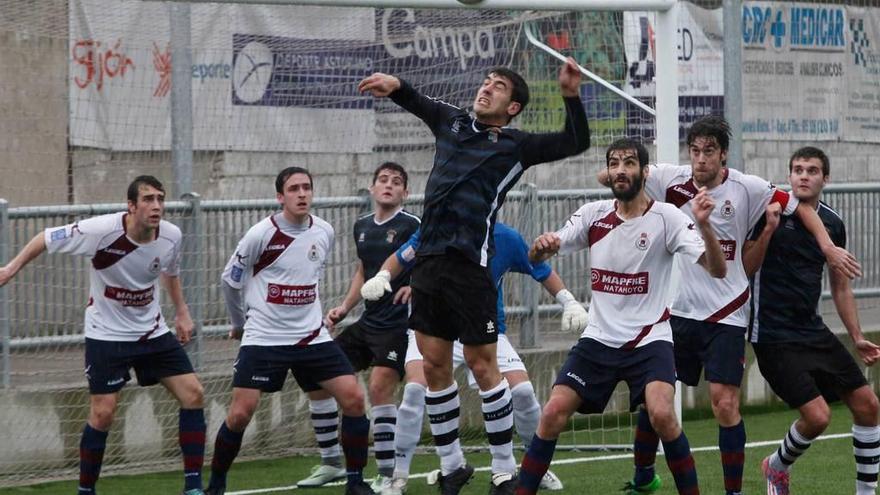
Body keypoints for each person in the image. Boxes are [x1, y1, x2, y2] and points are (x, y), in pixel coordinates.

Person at [357, 56, 589, 495]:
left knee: (485, 368)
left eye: (498, 85)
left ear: (513, 106)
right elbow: (419, 102)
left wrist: (570, 95)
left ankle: (503, 469)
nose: (486, 88)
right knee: (434, 367)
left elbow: (575, 141)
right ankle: (453, 465)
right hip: (427, 267)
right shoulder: (452, 121)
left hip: (470, 270)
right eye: (486, 81)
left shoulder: (516, 145)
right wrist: (397, 83)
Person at [599, 116, 861, 495]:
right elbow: (612, 177)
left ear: (723, 155)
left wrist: (827, 247)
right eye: (695, 151)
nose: (700, 160)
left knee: (724, 404)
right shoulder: (670, 180)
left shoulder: (747, 188)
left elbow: (799, 207)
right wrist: (618, 173)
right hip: (679, 312)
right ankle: (643, 476)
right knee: (655, 400)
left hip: (727, 314)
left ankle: (734, 491)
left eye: (709, 152)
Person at [515, 138, 728, 495]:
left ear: (644, 172)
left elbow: (718, 270)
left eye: (629, 163)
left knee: (661, 413)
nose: (620, 170)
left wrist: (704, 226)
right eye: (614, 163)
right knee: (552, 413)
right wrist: (540, 248)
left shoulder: (668, 218)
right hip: (599, 337)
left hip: (650, 338)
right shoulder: (593, 214)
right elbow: (542, 254)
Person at [0, 176, 206, 495]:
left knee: (193, 393)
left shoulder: (171, 236)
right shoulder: (100, 231)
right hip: (107, 335)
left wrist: (181, 311)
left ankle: (193, 487)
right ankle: (86, 490)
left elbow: (171, 272)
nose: (156, 206)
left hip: (151, 332)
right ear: (131, 206)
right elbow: (45, 237)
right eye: (148, 199)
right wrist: (10, 269)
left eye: (160, 199)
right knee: (103, 412)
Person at [361, 222, 587, 494]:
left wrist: (569, 301)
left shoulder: (506, 238)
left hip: (486, 329)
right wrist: (383, 275)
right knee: (413, 392)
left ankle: (534, 466)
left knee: (525, 392)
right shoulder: (435, 228)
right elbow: (401, 257)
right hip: (435, 328)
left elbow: (539, 269)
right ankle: (397, 476)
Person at [206, 167, 372, 495]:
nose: (302, 194)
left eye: (307, 188)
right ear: (280, 197)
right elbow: (230, 279)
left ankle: (355, 483)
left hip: (311, 336)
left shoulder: (323, 231)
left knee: (353, 399)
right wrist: (239, 323)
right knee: (240, 414)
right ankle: (216, 486)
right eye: (294, 189)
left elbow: (309, 276)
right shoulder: (260, 235)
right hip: (265, 337)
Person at [743, 146, 880, 495]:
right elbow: (744, 269)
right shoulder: (766, 211)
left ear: (825, 178)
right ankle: (775, 467)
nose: (804, 175)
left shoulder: (833, 223)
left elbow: (841, 288)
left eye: (812, 170)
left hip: (812, 330)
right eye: (798, 169)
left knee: (868, 405)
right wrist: (769, 231)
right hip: (772, 335)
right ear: (789, 176)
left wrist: (857, 336)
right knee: (818, 417)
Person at [296, 162, 420, 490]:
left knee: (380, 386)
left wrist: (416, 287)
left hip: (398, 324)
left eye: (396, 182)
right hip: (367, 322)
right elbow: (363, 271)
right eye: (383, 180)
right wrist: (343, 307)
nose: (389, 186)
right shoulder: (361, 225)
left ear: (406, 192)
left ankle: (386, 471)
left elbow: (433, 262)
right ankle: (331, 462)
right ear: (372, 188)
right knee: (318, 377)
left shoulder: (412, 225)